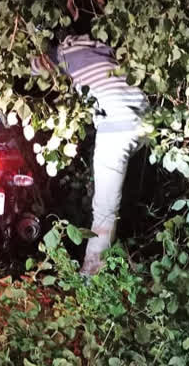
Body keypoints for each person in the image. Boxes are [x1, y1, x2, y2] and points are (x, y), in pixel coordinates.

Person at [31, 34, 149, 275]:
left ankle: (91, 276)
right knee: (116, 188)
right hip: (145, 120)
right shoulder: (105, 48)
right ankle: (120, 257)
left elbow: (32, 66)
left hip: (117, 125)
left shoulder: (65, 52)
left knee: (104, 207)